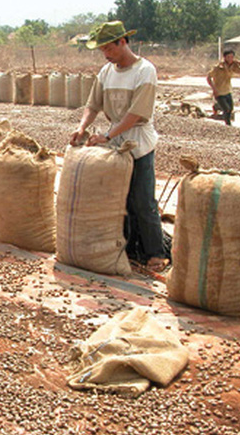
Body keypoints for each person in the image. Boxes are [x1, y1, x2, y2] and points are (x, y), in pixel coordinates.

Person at [70, 20, 169, 272]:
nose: (105, 54)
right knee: (119, 201)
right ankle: (129, 247)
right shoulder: (106, 72)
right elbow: (93, 105)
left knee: (143, 200)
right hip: (114, 143)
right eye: (102, 50)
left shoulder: (145, 71)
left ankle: (155, 253)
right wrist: (82, 128)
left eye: (109, 48)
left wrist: (107, 134)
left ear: (123, 42)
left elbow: (136, 114)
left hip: (138, 144)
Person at [206, 49, 240, 126]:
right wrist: (214, 89)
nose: (230, 59)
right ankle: (227, 124)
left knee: (230, 109)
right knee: (226, 109)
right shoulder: (218, 67)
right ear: (224, 57)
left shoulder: (232, 66)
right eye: (228, 57)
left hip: (228, 90)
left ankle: (226, 121)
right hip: (219, 91)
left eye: (232, 57)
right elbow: (208, 77)